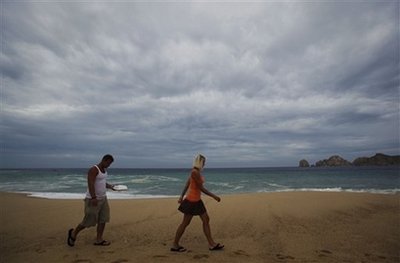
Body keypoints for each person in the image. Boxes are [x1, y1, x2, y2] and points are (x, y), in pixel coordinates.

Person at [171, 154, 224, 252]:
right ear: (199, 162)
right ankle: (175, 245)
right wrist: (214, 196)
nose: (205, 164)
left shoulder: (196, 171)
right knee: (185, 223)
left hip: (197, 200)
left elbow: (187, 184)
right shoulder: (195, 172)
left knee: (206, 219)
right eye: (203, 162)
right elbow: (201, 188)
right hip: (192, 201)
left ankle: (211, 244)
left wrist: (181, 196)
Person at [67, 154, 116, 247]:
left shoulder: (104, 170)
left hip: (103, 198)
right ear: (104, 160)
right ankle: (73, 233)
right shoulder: (94, 169)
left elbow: (101, 181)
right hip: (93, 199)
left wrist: (110, 186)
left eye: (110, 164)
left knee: (103, 219)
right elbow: (91, 183)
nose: (109, 165)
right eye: (108, 163)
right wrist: (94, 197)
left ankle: (99, 240)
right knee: (88, 221)